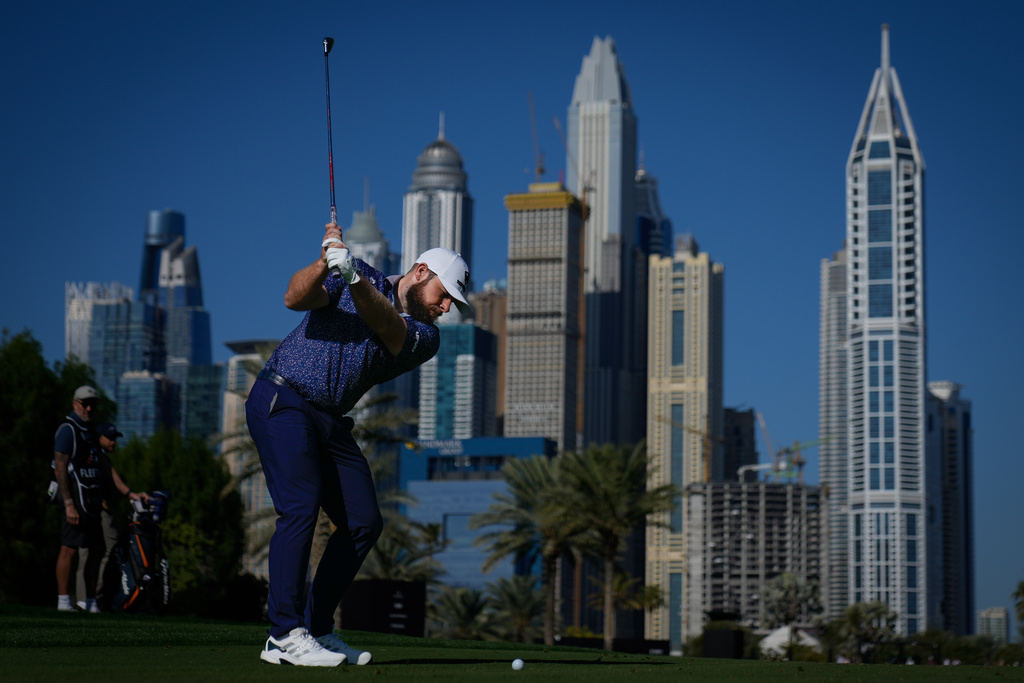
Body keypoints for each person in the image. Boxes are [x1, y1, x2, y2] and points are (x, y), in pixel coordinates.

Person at [246, 222, 469, 667]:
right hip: (283, 399)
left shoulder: (426, 336)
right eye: (444, 294)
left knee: (364, 521)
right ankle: (283, 635)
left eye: (451, 303)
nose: (446, 307)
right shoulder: (355, 272)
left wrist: (350, 275)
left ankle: (318, 629)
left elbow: (387, 323)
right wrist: (324, 260)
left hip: (327, 421)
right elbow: (294, 298)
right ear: (421, 271)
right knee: (301, 505)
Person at [74, 422, 150, 610]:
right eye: (110, 438)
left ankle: (93, 598)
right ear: (99, 438)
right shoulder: (91, 454)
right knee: (88, 552)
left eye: (115, 438)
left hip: (100, 511)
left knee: (103, 550)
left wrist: (132, 493)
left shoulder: (102, 457)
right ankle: (85, 599)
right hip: (90, 510)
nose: (114, 442)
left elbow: (114, 478)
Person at [53, 385, 105, 612]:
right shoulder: (68, 429)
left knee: (95, 550)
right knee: (69, 549)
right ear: (75, 403)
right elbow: (60, 467)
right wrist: (68, 504)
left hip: (91, 501)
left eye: (93, 404)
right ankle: (63, 601)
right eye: (85, 404)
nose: (89, 408)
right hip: (75, 499)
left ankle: (91, 601)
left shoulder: (90, 431)